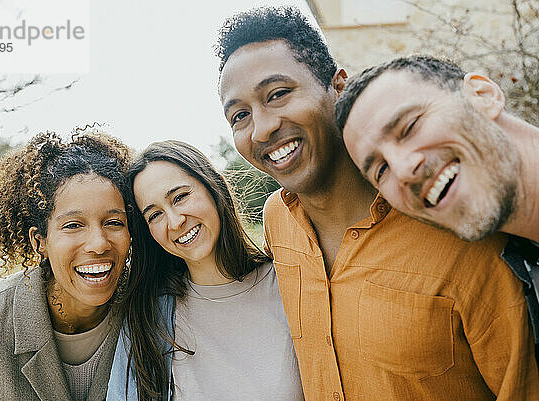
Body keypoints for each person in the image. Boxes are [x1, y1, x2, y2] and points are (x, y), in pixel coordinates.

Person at [217, 6, 539, 401]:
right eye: (239, 116)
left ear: (337, 86)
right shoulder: (277, 222)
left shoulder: (459, 225)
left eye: (279, 94)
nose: (262, 127)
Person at [336, 55, 539, 350]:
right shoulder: (521, 269)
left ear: (483, 95)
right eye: (381, 170)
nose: (404, 170)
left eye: (409, 127)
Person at [0, 130, 133, 401]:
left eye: (114, 223)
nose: (99, 244)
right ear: (39, 240)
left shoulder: (155, 316)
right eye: (73, 225)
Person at [107, 140, 304, 401]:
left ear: (214, 186)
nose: (175, 222)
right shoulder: (147, 320)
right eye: (154, 215)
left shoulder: (291, 285)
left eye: (180, 197)